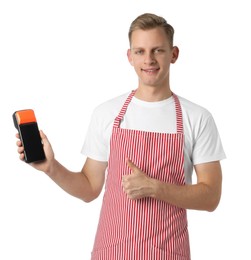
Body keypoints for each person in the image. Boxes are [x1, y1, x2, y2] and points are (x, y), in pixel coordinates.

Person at [16, 13, 226, 260]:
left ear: (174, 54)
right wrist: (51, 168)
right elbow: (89, 189)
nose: (148, 60)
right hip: (112, 252)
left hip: (169, 254)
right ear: (129, 56)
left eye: (157, 50)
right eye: (140, 51)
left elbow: (211, 196)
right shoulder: (107, 113)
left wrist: (155, 188)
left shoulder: (198, 118)